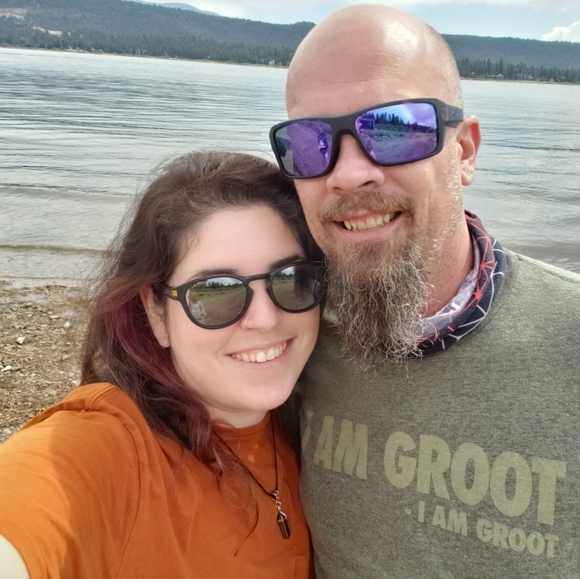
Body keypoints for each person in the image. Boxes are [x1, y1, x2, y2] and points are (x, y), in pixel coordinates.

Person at [269, 4, 580, 577]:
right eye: (311, 143)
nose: (348, 173)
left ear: (464, 152)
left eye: (394, 129)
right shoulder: (282, 336)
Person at [0, 151, 325, 578]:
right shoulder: (110, 449)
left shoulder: (311, 425)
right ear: (156, 312)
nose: (265, 319)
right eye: (215, 290)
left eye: (290, 278)